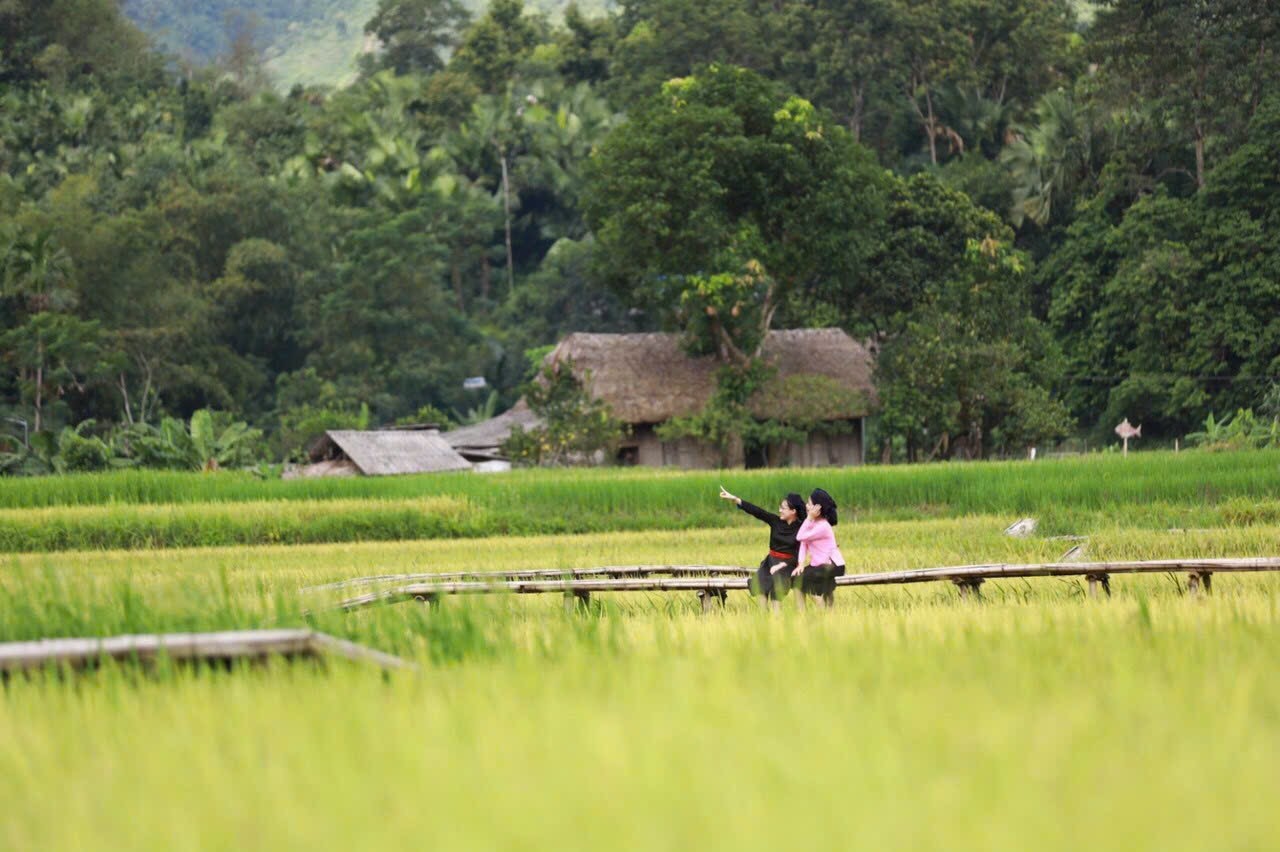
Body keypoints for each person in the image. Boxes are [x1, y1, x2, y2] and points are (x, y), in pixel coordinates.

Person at [719, 486, 805, 609]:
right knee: (760, 584)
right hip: (770, 562)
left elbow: (801, 552)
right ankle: (763, 619)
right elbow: (757, 511)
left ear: (793, 511)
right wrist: (736, 499)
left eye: (783, 508)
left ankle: (777, 620)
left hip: (788, 565)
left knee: (777, 588)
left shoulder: (802, 528)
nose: (779, 510)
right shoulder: (775, 521)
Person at [792, 488, 846, 608]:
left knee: (804, 581)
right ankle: (802, 615)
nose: (806, 506)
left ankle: (823, 612)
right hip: (819, 565)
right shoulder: (813, 523)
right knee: (796, 579)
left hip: (833, 565)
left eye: (809, 504)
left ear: (817, 508)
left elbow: (799, 536)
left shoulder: (823, 526)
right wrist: (800, 564)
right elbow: (803, 543)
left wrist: (809, 518)